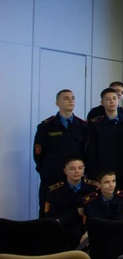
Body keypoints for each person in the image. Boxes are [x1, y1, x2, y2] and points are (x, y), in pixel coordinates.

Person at [34, 89, 87, 217]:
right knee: (48, 213)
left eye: (73, 98)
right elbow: (38, 154)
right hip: (52, 177)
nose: (70, 101)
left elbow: (87, 152)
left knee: (75, 213)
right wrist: (46, 171)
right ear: (57, 103)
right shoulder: (46, 126)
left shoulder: (83, 126)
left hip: (74, 179)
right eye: (66, 98)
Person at [44, 157, 98, 248]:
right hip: (63, 233)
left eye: (80, 168)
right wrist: (76, 212)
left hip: (86, 233)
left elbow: (96, 214)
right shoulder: (54, 191)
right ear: (65, 171)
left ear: (84, 169)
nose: (77, 171)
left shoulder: (93, 188)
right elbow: (51, 218)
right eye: (72, 169)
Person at [87, 88, 123, 188]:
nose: (112, 101)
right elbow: (92, 151)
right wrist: (93, 176)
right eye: (108, 99)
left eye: (114, 98)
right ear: (102, 103)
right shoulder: (96, 125)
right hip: (103, 172)